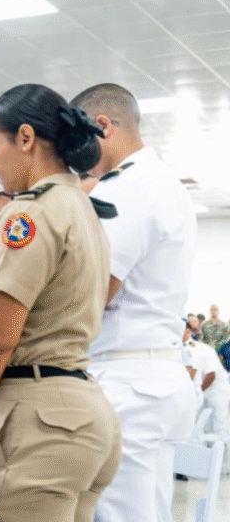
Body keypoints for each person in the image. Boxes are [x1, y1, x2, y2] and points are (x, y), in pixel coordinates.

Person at [0, 84, 121, 522]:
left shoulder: (30, 213)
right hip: (82, 413)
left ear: (25, 138)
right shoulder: (83, 208)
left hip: (36, 421)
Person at [70, 83, 199, 522]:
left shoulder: (127, 187)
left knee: (120, 516)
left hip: (127, 379)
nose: (73, 154)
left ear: (102, 126)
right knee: (151, 511)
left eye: (77, 138)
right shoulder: (161, 181)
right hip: (154, 373)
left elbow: (90, 293)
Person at [183, 328, 229, 440]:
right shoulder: (183, 348)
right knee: (204, 428)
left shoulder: (196, 348)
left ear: (188, 332)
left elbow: (210, 375)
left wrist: (196, 391)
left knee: (219, 428)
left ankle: (222, 456)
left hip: (216, 390)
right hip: (203, 389)